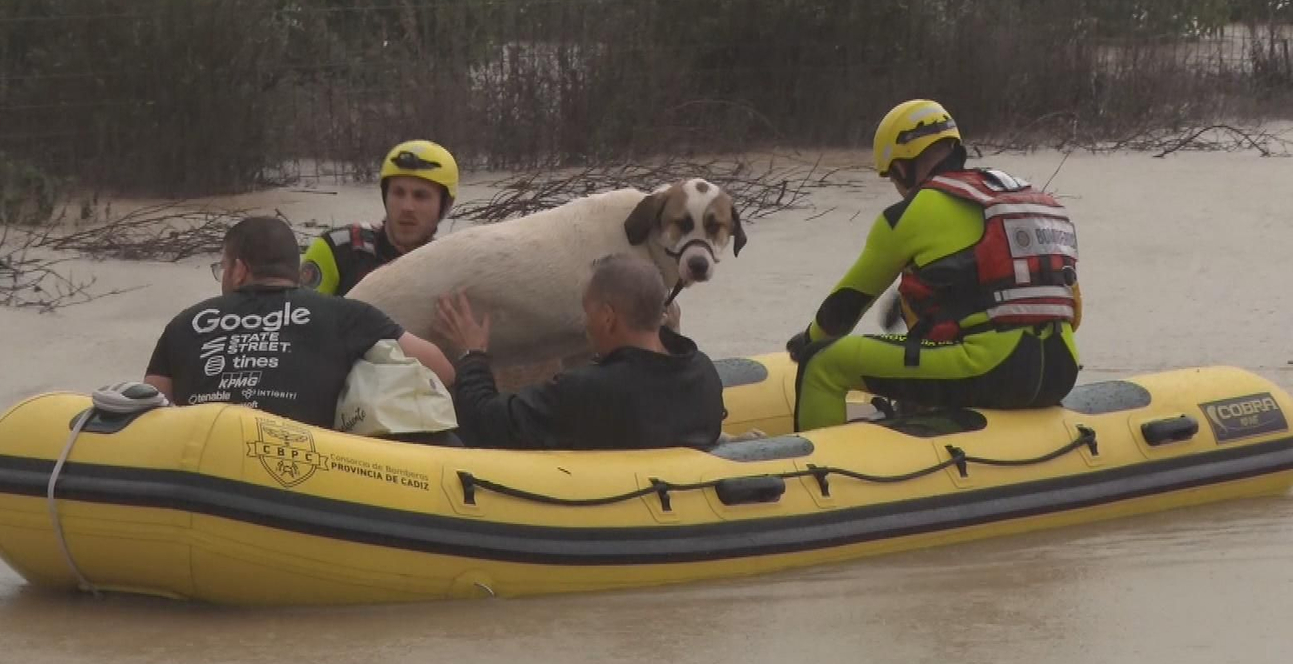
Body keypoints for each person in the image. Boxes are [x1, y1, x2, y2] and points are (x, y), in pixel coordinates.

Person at [785, 99, 1082, 431]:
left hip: (993, 369)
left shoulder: (912, 212)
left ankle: (818, 470)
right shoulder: (1028, 199)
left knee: (823, 362)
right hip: (1062, 368)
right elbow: (1070, 308)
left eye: (892, 177)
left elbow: (841, 311)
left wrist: (806, 342)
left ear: (902, 166)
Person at [145, 216, 455, 427]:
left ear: (239, 269)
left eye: (222, 267)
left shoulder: (185, 324)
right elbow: (440, 369)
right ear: (295, 269)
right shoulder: (347, 315)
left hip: (199, 473)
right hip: (306, 475)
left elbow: (149, 411)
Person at [434, 252, 725, 451]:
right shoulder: (703, 374)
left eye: (588, 312)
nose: (585, 325)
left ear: (608, 317)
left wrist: (472, 354)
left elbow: (484, 424)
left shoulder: (589, 390)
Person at [299, 140, 459, 296]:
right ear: (385, 195)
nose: (407, 207)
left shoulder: (452, 270)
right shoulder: (336, 250)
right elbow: (296, 317)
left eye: (420, 196)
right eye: (398, 193)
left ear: (446, 204)